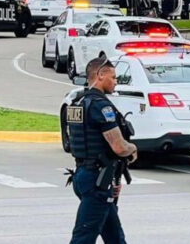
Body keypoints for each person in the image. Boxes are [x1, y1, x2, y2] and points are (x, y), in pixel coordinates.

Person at [66, 56, 137, 244]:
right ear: (100, 75)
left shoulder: (77, 103)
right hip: (97, 182)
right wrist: (133, 149)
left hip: (85, 175)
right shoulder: (100, 105)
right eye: (113, 77)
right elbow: (119, 147)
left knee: (115, 237)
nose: (115, 82)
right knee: (83, 238)